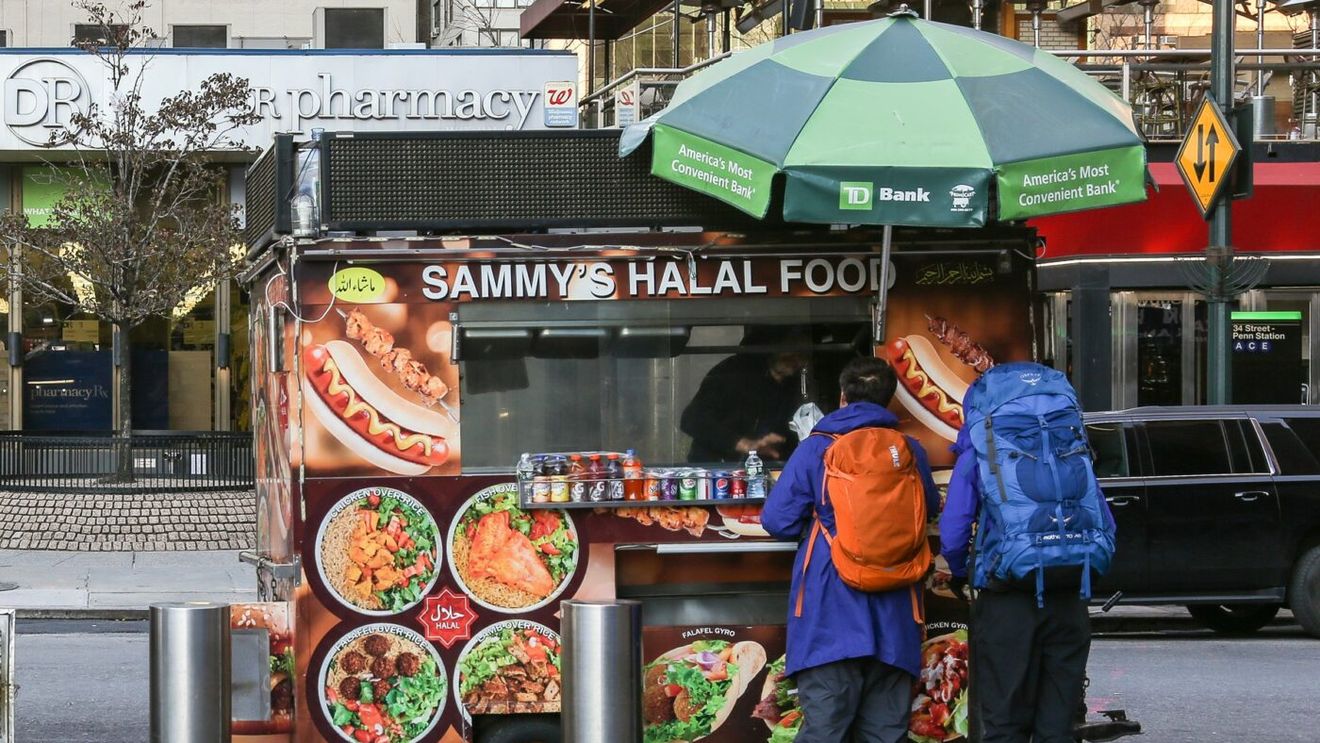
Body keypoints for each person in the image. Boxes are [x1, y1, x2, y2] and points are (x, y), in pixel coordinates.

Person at [761, 356, 940, 743]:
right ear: (888, 401)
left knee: (825, 731)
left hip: (830, 619)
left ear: (842, 396)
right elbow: (930, 508)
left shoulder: (816, 449)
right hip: (895, 620)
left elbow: (776, 520)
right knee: (885, 733)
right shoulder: (909, 450)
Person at [940, 374, 1117, 743]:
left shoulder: (981, 446)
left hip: (1007, 599)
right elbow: (1104, 519)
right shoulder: (1067, 440)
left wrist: (960, 571)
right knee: (1058, 723)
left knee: (1006, 722)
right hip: (1069, 595)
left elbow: (955, 527)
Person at [679, 328, 806, 463]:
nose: (798, 361)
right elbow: (692, 419)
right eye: (792, 351)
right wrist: (742, 444)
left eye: (803, 355)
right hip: (717, 471)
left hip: (763, 470)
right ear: (774, 346)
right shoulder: (733, 372)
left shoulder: (792, 387)